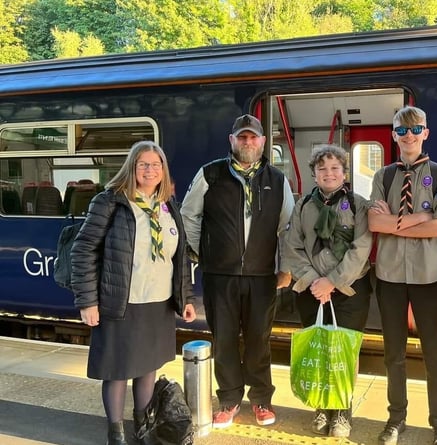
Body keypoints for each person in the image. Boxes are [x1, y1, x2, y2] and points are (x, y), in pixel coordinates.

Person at [71, 140, 197, 445]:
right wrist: (88, 301)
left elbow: (177, 258)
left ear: (163, 170)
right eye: (143, 164)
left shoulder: (168, 206)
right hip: (121, 301)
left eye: (156, 164)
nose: (150, 170)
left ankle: (141, 423)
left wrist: (186, 299)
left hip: (159, 303)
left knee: (147, 366)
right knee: (117, 369)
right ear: (132, 168)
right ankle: (115, 432)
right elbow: (83, 249)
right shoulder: (111, 202)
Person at [180, 114, 295, 428]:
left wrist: (286, 267)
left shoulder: (277, 179)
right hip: (220, 275)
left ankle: (261, 400)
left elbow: (289, 227)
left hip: (262, 276)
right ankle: (229, 400)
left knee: (259, 339)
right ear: (232, 140)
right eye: (241, 137)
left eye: (253, 137)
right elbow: (188, 215)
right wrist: (201, 252)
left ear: (262, 141)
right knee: (225, 339)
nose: (247, 142)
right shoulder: (210, 174)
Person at [368, 106, 437, 445]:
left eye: (415, 129)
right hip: (390, 274)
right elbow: (375, 223)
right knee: (394, 353)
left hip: (430, 275)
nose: (408, 136)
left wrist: (397, 222)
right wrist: (422, 217)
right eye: (401, 130)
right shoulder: (384, 177)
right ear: (393, 136)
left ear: (425, 133)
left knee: (435, 352)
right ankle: (396, 418)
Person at [282, 144, 373, 438]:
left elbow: (361, 249)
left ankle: (343, 410)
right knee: (320, 347)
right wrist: (313, 281)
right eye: (322, 169)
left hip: (348, 289)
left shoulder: (359, 205)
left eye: (335, 168)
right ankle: (322, 405)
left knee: (345, 350)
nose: (329, 173)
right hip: (311, 290)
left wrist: (332, 281)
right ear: (314, 174)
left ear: (344, 173)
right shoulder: (303, 206)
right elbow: (292, 248)